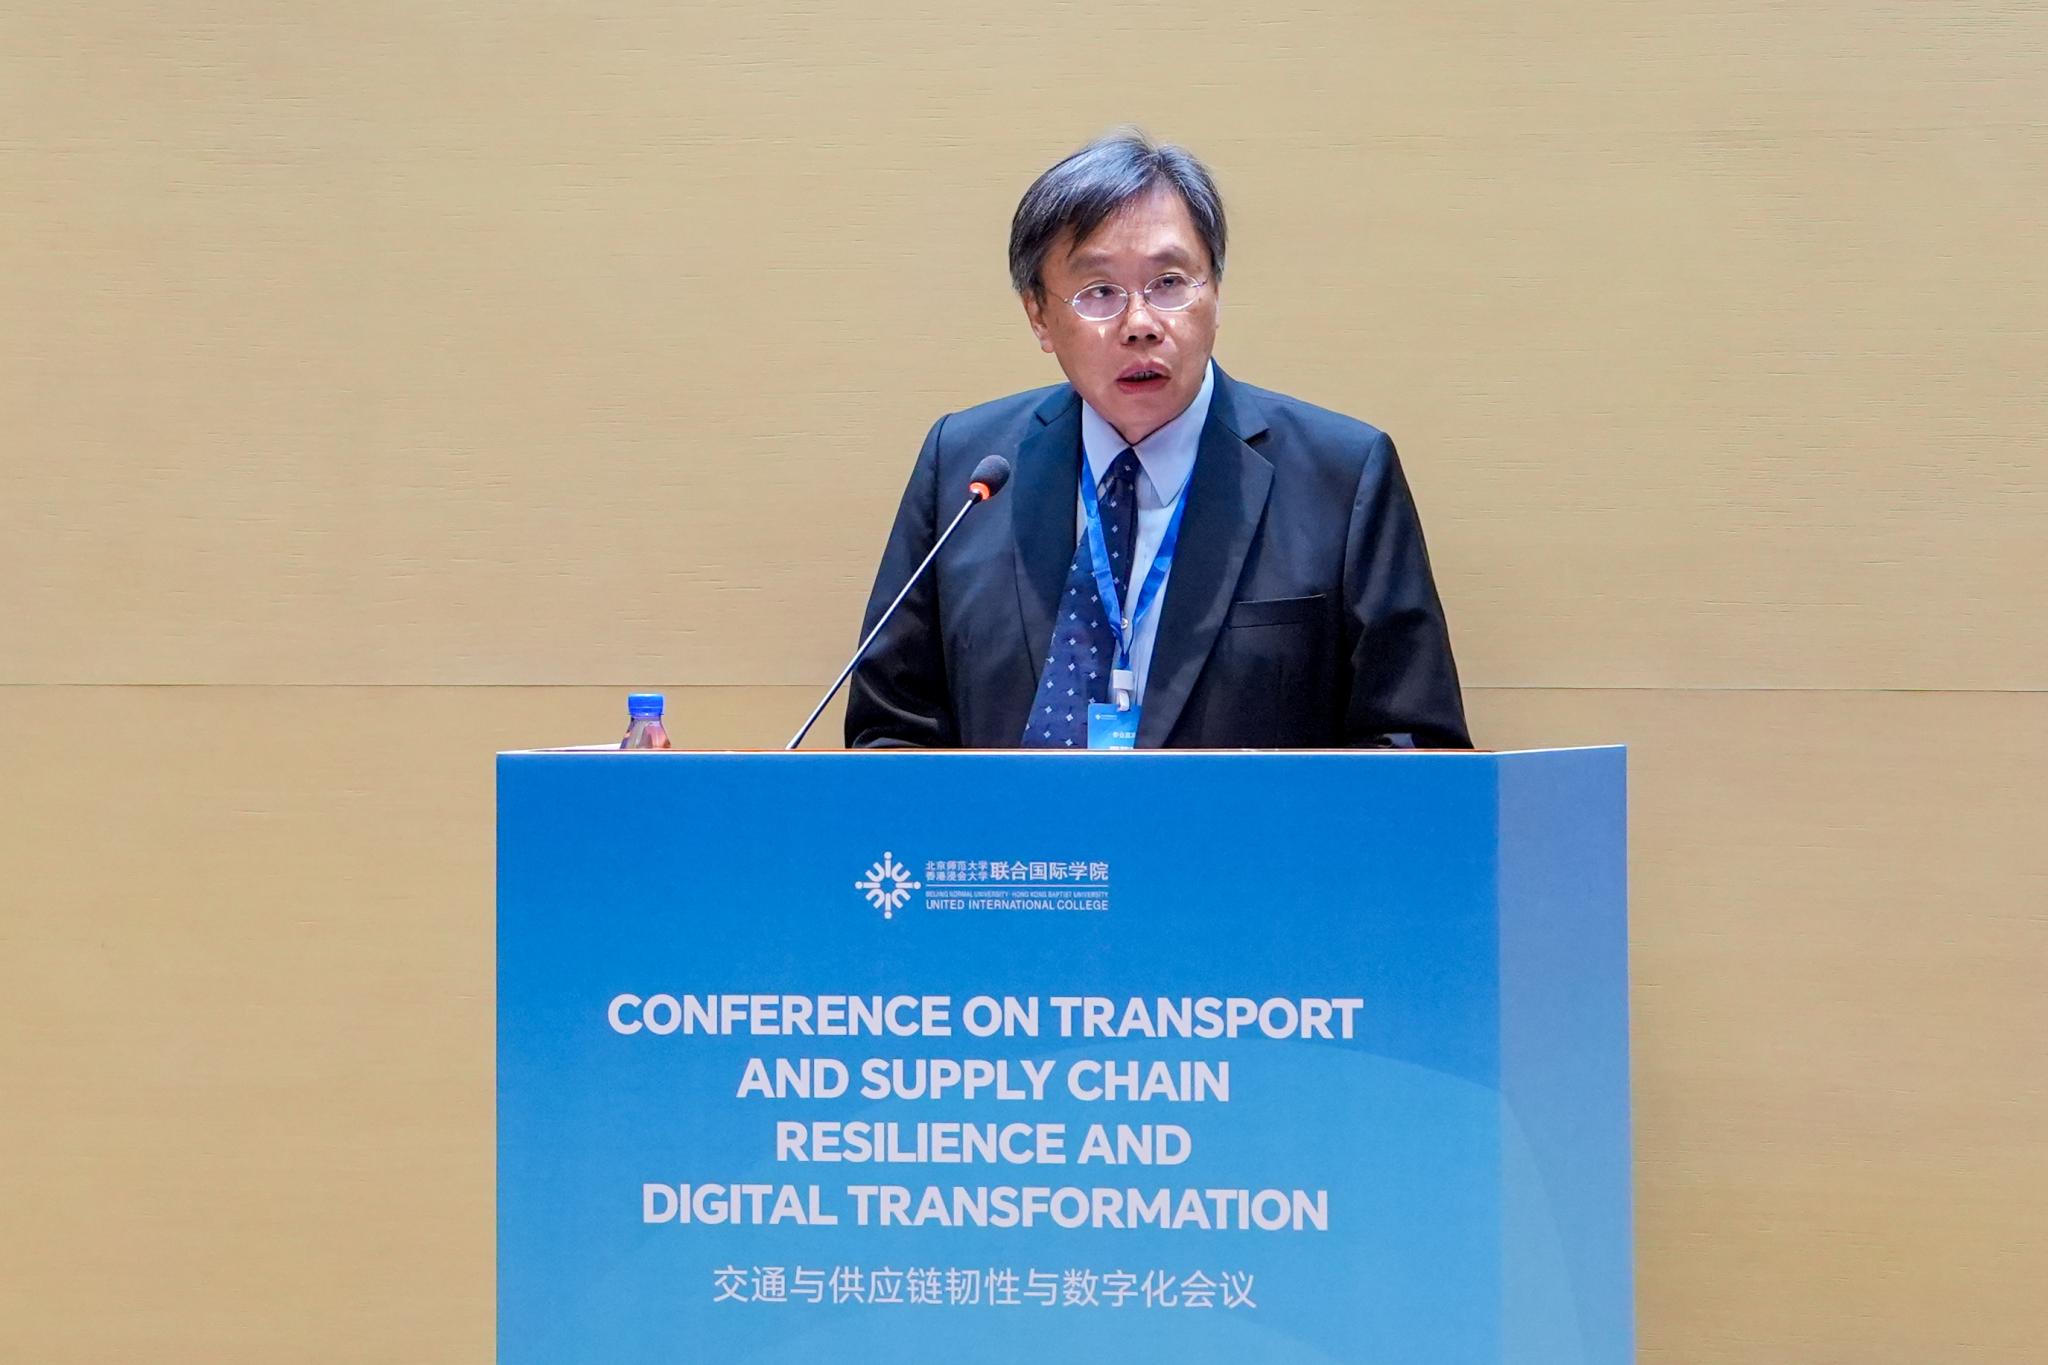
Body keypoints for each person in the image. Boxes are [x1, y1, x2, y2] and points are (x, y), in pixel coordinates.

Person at [845, 132, 1470, 750]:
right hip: (1020, 824)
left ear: (1215, 292)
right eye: (1099, 293)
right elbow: (891, 732)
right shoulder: (965, 470)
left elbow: (1414, 751)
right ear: (1039, 315)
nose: (1140, 324)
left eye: (1169, 283)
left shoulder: (1344, 477)